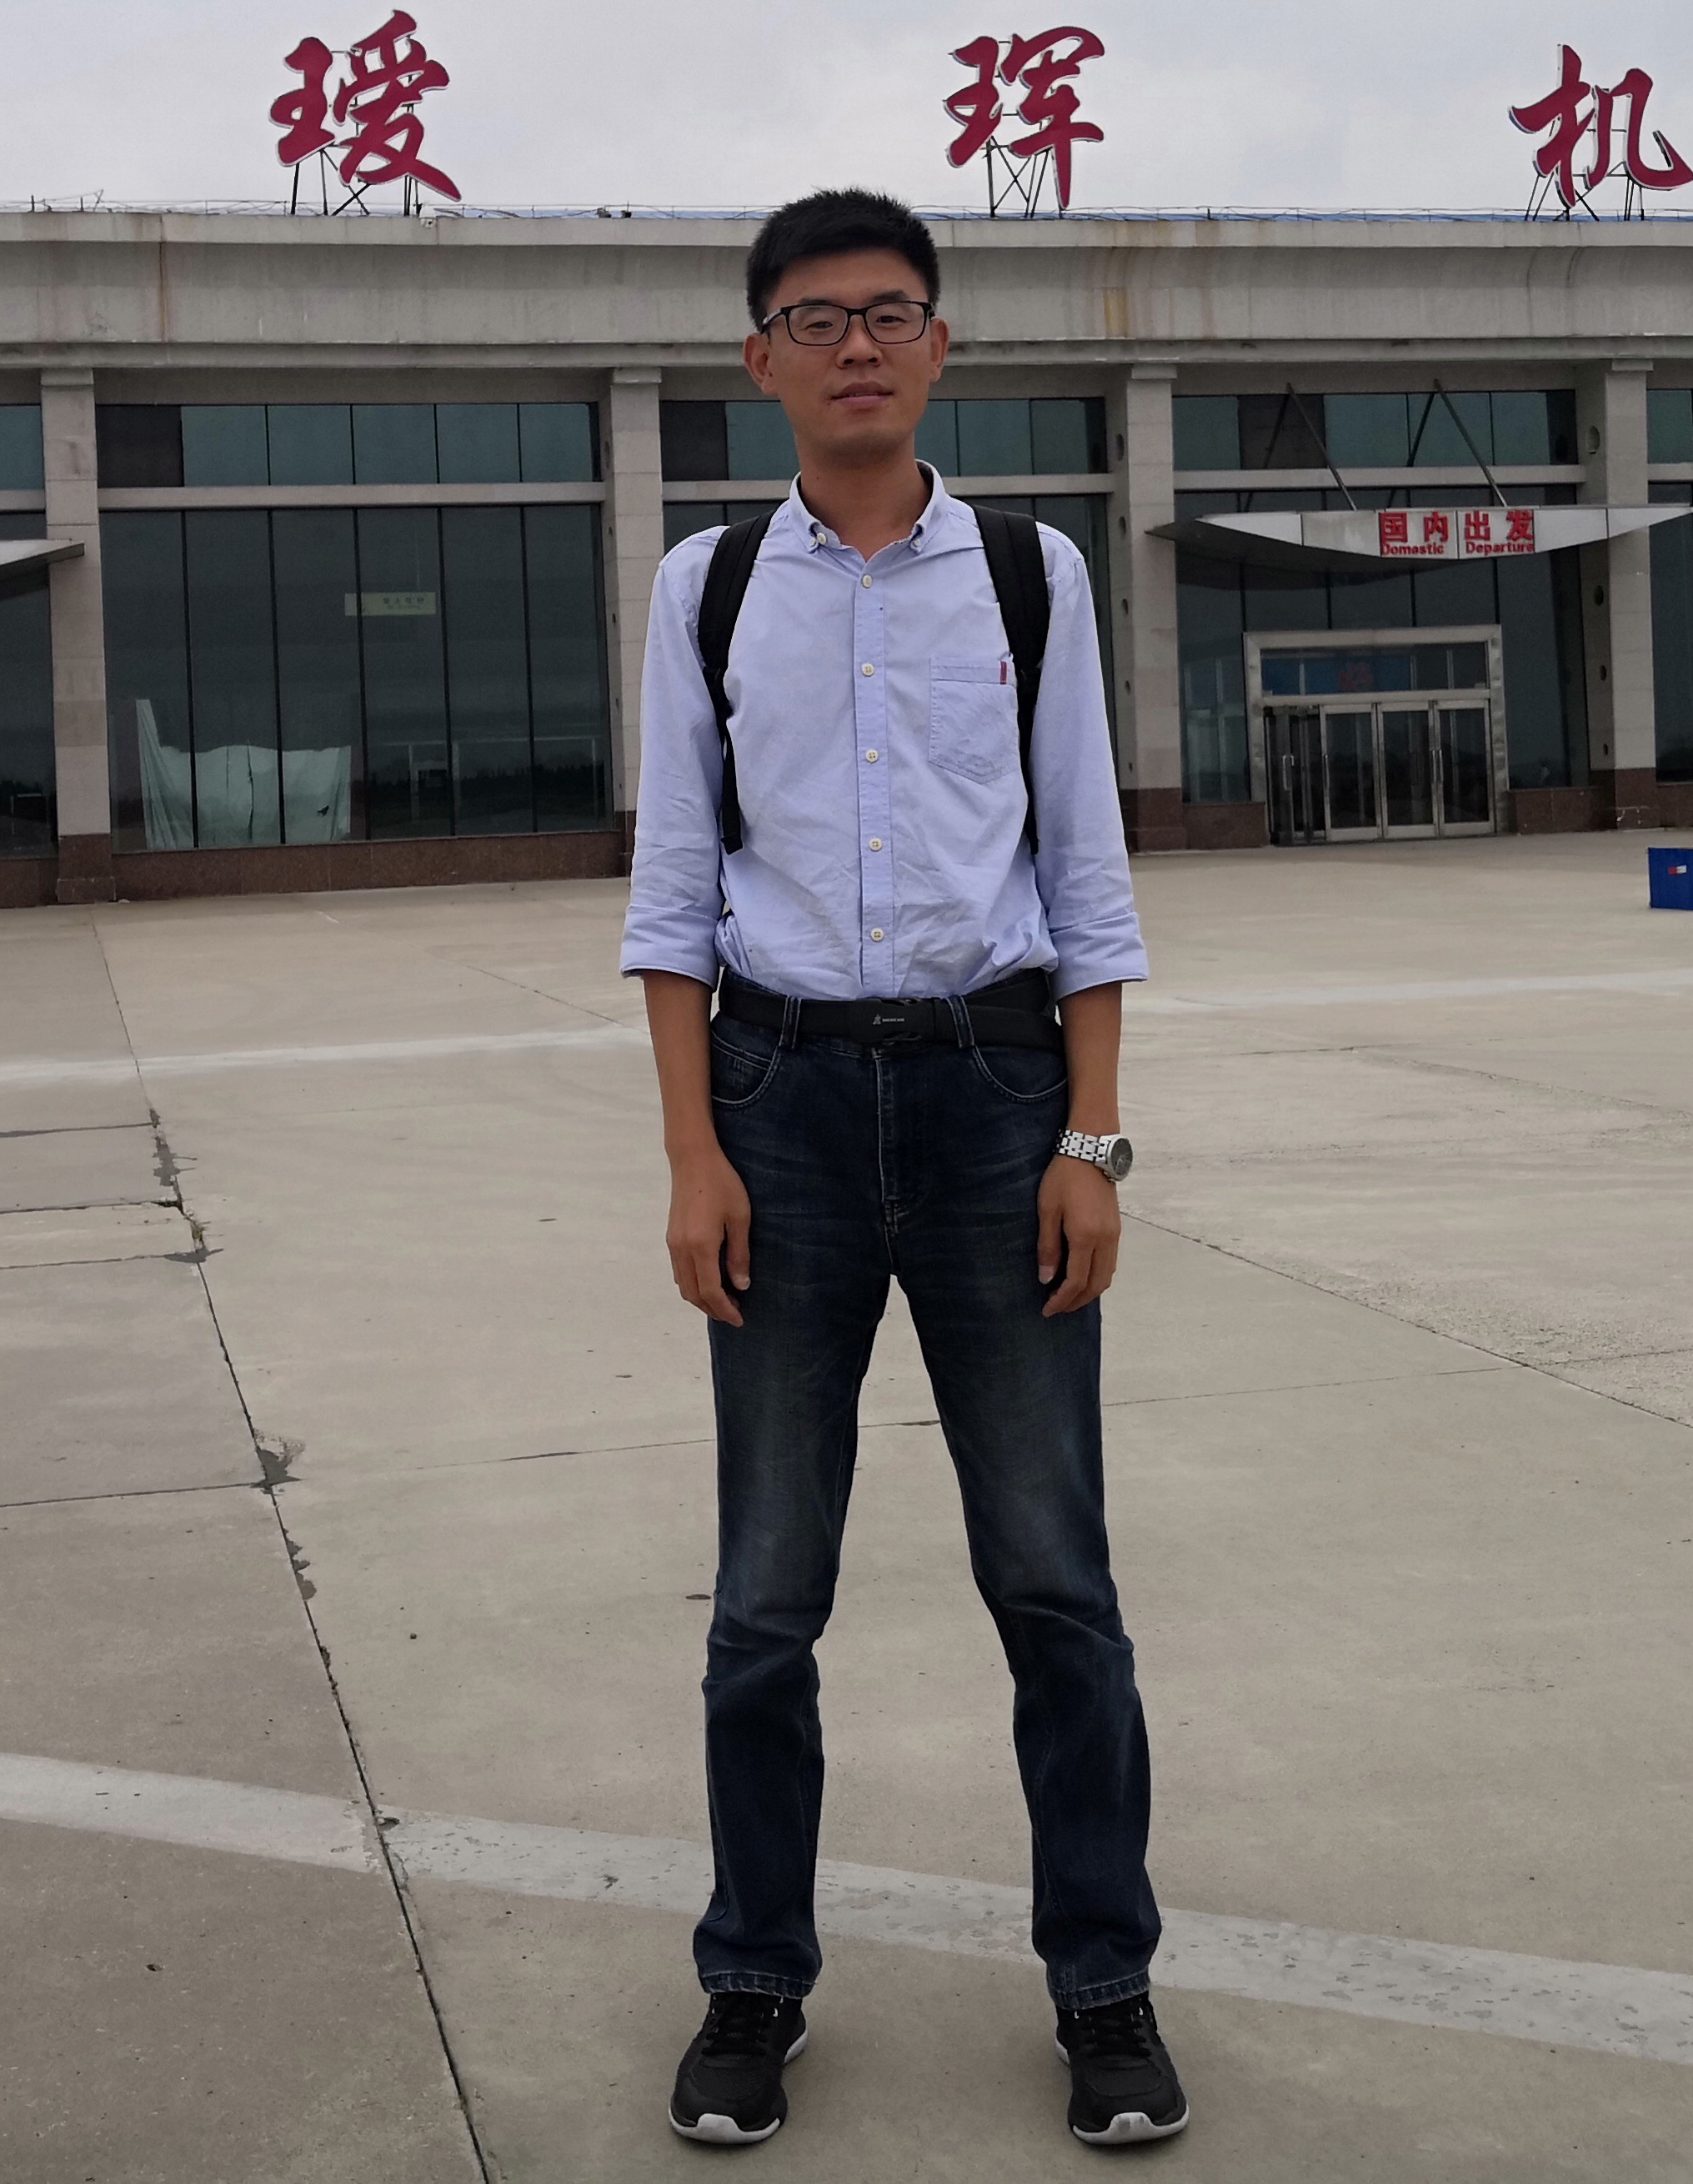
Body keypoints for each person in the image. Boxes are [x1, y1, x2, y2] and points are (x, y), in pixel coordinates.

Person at [621, 188, 1185, 2150]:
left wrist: (1089, 1140)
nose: (854, 345)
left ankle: (1103, 1987)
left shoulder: (1031, 575)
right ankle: (752, 1985)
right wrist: (693, 1154)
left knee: (1053, 1578)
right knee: (766, 1598)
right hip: (777, 1105)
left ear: (940, 343)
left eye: (887, 312)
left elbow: (1087, 872)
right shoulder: (706, 588)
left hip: (992, 1103)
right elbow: (673, 897)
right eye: (815, 317)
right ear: (759, 359)